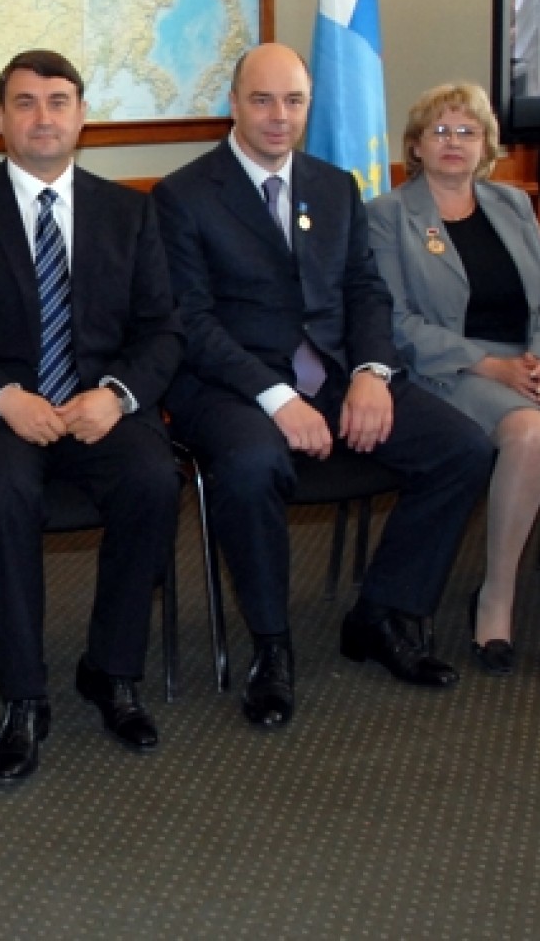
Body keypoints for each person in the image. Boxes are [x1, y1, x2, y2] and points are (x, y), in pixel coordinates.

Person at [153, 43, 492, 730]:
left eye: (294, 101)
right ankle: (271, 646)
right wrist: (277, 399)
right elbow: (190, 322)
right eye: (262, 100)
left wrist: (371, 372)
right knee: (251, 465)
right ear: (233, 104)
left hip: (335, 374)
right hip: (229, 385)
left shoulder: (335, 186)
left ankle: (384, 612)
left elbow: (366, 291)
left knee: (463, 447)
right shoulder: (183, 195)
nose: (279, 116)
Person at [0, 50, 183, 782]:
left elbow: (163, 330)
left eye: (58, 101)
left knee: (153, 478)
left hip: (97, 408)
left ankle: (111, 670)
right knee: (0, 494)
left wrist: (115, 395)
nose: (43, 117)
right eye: (24, 102)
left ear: (82, 116)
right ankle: (23, 696)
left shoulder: (130, 211)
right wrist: (5, 397)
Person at [367, 83, 540, 692]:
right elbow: (398, 322)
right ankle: (495, 599)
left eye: (467, 131)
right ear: (415, 146)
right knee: (531, 434)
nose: (453, 143)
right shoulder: (389, 215)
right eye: (439, 131)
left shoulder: (513, 205)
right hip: (450, 369)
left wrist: (539, 362)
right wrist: (489, 364)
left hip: (532, 363)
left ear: (486, 145)